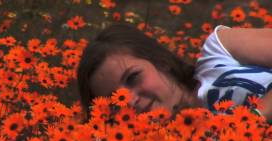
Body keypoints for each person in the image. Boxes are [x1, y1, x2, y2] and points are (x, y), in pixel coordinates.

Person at [77, 23, 272, 121]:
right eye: (115, 101)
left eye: (132, 77)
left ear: (160, 62)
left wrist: (255, 117)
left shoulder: (218, 51)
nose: (128, 100)